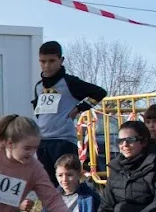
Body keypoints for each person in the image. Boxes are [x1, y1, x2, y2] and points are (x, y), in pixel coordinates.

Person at [31, 40, 108, 183]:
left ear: (61, 60)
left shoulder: (70, 82)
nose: (47, 65)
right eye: (43, 61)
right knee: (46, 183)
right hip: (43, 141)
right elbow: (38, 109)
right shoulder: (39, 86)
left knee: (67, 182)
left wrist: (79, 108)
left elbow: (100, 92)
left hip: (63, 140)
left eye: (52, 61)